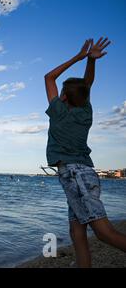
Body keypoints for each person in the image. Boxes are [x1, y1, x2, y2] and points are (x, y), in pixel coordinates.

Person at [44, 37, 126, 267]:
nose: (59, 92)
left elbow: (49, 77)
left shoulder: (58, 111)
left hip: (75, 176)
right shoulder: (85, 112)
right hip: (81, 175)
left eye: (62, 90)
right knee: (76, 232)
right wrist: (91, 61)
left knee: (104, 232)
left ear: (65, 97)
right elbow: (86, 85)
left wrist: (79, 57)